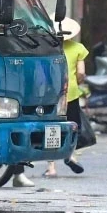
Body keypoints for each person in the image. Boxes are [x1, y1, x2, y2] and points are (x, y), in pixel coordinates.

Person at [45, 17, 87, 180]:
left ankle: (52, 167)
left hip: (50, 93)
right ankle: (72, 156)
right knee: (73, 125)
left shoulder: (47, 49)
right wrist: (77, 82)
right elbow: (81, 72)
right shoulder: (78, 48)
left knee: (51, 128)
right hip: (71, 92)